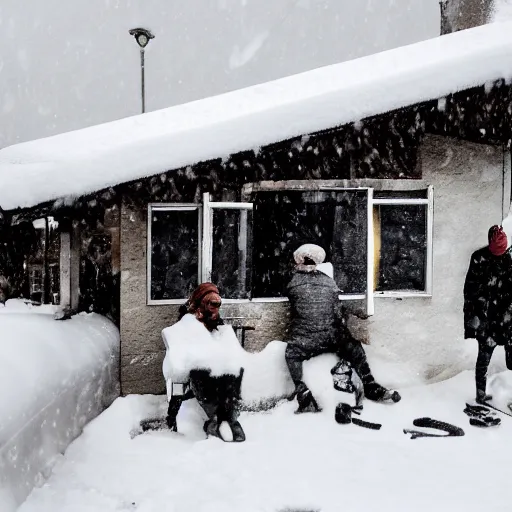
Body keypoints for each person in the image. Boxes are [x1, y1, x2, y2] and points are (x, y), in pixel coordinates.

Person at [284, 244, 401, 413]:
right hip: (332, 337)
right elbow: (337, 310)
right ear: (317, 262)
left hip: (305, 341)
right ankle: (370, 386)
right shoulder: (328, 281)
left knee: (291, 354)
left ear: (298, 261)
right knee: (355, 348)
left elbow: (293, 302)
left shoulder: (292, 281)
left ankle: (303, 392)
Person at [161, 283, 246, 442]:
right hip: (195, 372)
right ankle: (215, 418)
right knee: (201, 372)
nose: (215, 309)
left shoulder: (216, 324)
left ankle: (230, 417)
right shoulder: (187, 323)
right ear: (201, 303)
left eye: (217, 304)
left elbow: (224, 347)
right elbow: (181, 358)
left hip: (216, 370)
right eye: (211, 304)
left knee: (233, 371)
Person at [463, 225, 512, 404]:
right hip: (486, 319)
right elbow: (469, 291)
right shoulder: (479, 259)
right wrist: (472, 316)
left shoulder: (510, 260)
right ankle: (480, 394)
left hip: (508, 318)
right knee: (483, 358)